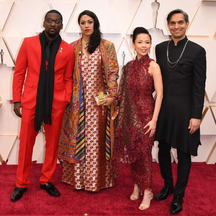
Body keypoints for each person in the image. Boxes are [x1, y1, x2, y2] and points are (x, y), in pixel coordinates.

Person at [10, 9, 75, 202]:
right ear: (44, 23)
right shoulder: (28, 43)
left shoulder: (69, 50)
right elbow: (19, 73)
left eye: (57, 21)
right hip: (31, 101)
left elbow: (69, 77)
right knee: (25, 144)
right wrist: (17, 100)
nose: (53, 24)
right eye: (49, 20)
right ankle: (21, 183)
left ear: (61, 25)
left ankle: (46, 180)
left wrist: (66, 98)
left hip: (56, 103)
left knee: (52, 145)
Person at [58, 10, 119, 192]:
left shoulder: (106, 46)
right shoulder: (72, 47)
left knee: (97, 141)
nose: (86, 25)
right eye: (83, 22)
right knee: (78, 140)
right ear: (79, 25)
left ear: (95, 24)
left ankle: (98, 180)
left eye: (90, 21)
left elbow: (113, 72)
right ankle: (77, 180)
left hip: (99, 103)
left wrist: (112, 95)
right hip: (77, 103)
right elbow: (66, 75)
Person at [154, 9, 206, 214]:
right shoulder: (159, 49)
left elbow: (199, 86)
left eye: (180, 22)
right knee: (163, 149)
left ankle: (178, 196)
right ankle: (168, 186)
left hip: (186, 111)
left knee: (184, 154)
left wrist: (196, 115)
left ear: (187, 24)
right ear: (167, 25)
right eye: (173, 23)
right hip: (164, 108)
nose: (176, 26)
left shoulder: (197, 51)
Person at [115, 27, 163, 210]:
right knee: (133, 154)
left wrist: (154, 119)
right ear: (133, 44)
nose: (144, 45)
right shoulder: (127, 67)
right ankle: (137, 185)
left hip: (146, 117)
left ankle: (148, 190)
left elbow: (159, 94)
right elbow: (122, 94)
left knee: (144, 155)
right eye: (140, 42)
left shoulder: (153, 66)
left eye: (147, 42)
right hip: (129, 117)